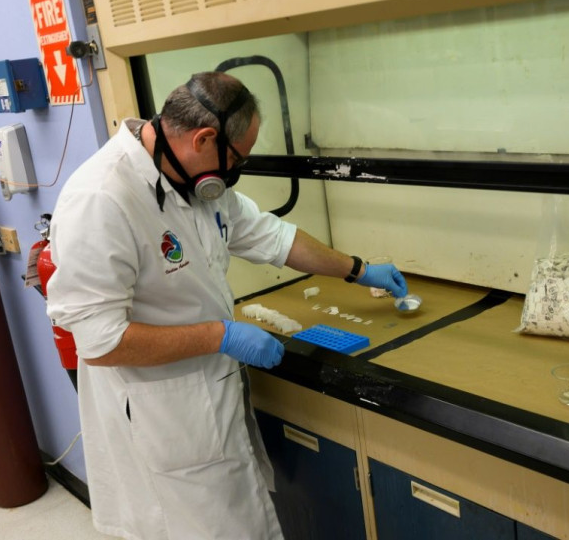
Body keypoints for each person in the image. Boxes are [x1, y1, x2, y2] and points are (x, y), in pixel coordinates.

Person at [46, 71, 408, 540]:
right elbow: (100, 342)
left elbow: (270, 236)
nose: (236, 170)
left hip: (208, 400)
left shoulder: (191, 178)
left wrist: (357, 269)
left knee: (242, 519)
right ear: (204, 138)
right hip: (162, 418)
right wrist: (222, 335)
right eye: (238, 158)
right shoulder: (101, 199)